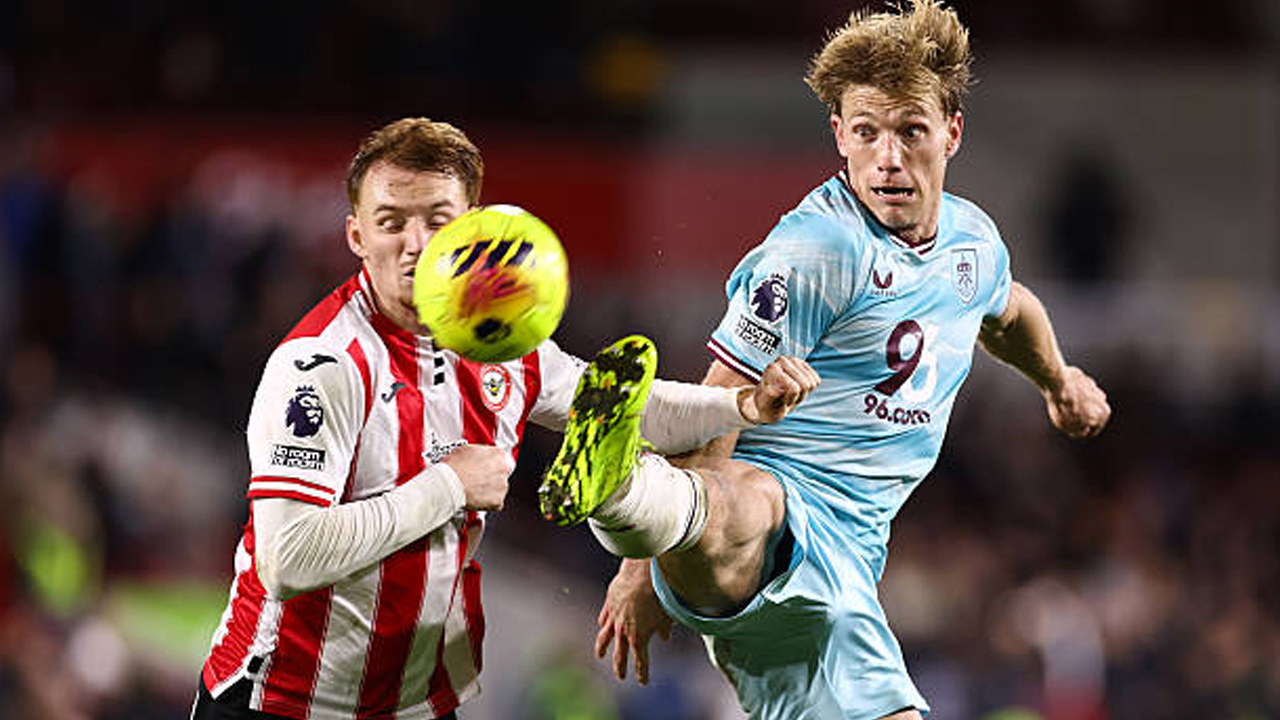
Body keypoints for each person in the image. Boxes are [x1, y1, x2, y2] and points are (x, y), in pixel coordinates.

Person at [536, 2, 1112, 718]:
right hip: (775, 520)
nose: (889, 158)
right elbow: (720, 400)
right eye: (867, 133)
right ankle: (622, 492)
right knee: (751, 501)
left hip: (849, 561)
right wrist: (643, 572)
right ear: (840, 135)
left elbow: (1008, 309)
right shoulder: (815, 252)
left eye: (911, 132)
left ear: (952, 133)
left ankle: (634, 501)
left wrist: (1058, 380)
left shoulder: (972, 243)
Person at [191, 117, 818, 720]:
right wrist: (450, 487)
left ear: (470, 228)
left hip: (417, 704)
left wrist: (742, 404)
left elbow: (627, 407)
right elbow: (287, 559)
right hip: (281, 702)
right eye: (390, 223)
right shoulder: (322, 365)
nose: (415, 244)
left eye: (437, 220)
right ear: (357, 236)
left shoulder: (502, 342)